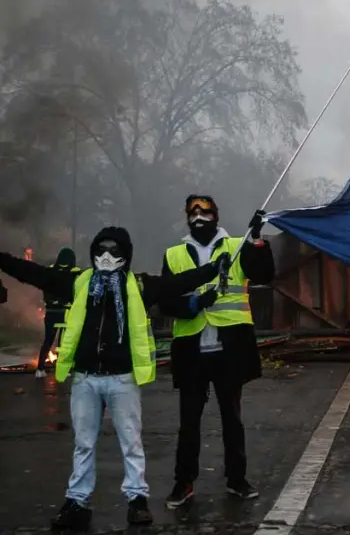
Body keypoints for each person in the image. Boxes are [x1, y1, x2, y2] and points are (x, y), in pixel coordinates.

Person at [0, 227, 227, 531]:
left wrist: (213, 268)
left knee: (131, 442)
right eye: (100, 251)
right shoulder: (79, 282)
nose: (106, 257)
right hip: (85, 378)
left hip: (122, 379)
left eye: (114, 251)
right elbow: (35, 273)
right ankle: (77, 502)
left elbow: (178, 283)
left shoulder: (140, 286)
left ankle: (137, 501)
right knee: (83, 444)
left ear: (126, 256)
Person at [160, 195, 275, 508]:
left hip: (229, 348)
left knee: (232, 419)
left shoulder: (237, 246)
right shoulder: (173, 254)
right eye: (193, 211)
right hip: (191, 348)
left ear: (215, 214)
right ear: (187, 217)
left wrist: (256, 240)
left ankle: (237, 480)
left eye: (205, 210)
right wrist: (194, 304)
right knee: (189, 422)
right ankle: (184, 483)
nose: (199, 215)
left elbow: (264, 274)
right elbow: (166, 300)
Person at [36, 247, 80, 378]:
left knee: (48, 340)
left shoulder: (50, 270)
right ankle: (61, 370)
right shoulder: (75, 272)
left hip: (50, 311)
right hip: (65, 312)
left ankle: (40, 369)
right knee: (63, 342)